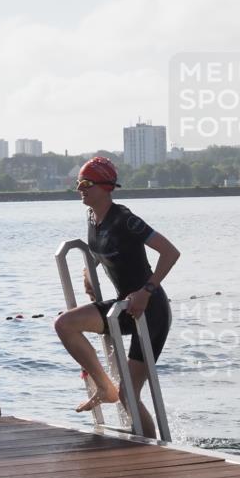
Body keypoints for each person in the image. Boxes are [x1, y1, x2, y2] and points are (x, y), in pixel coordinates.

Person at [54, 156, 181, 438]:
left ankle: (152, 450)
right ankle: (103, 386)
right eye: (79, 183)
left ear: (106, 187)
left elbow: (171, 253)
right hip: (124, 306)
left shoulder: (126, 220)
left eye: (86, 183)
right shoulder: (92, 219)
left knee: (129, 394)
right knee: (65, 324)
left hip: (151, 310)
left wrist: (146, 291)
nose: (80, 189)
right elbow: (103, 250)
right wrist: (90, 270)